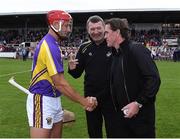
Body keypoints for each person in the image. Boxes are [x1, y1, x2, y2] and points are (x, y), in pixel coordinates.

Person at [27, 10, 97, 138]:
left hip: (53, 99)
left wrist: (56, 105)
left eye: (69, 25)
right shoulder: (49, 46)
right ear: (55, 24)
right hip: (42, 100)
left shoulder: (54, 44)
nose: (69, 29)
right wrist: (84, 101)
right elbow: (60, 83)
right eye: (66, 25)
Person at [104, 18, 161, 138]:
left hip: (141, 119)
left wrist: (138, 103)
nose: (104, 36)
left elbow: (153, 79)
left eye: (107, 32)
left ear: (117, 32)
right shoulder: (115, 55)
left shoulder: (136, 50)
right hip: (121, 118)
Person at [68, 15, 122, 138]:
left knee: (114, 132)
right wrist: (72, 68)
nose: (96, 32)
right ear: (88, 30)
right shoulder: (84, 48)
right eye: (92, 29)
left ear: (104, 28)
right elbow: (76, 74)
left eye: (99, 28)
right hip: (91, 99)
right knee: (94, 133)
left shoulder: (113, 45)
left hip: (112, 98)